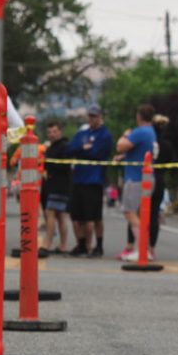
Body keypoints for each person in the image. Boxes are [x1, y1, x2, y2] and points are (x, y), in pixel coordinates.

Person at [68, 105, 114, 257]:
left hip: (94, 180)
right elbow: (70, 149)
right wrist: (83, 148)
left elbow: (97, 152)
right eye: (90, 116)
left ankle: (98, 245)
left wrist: (83, 150)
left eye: (95, 116)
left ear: (100, 117)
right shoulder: (82, 133)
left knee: (93, 217)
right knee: (77, 216)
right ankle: (81, 245)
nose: (92, 119)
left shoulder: (105, 135)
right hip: (79, 179)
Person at [114, 104, 157, 261]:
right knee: (140, 214)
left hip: (136, 178)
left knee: (129, 212)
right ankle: (145, 248)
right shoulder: (151, 132)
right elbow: (140, 152)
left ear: (139, 116)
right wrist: (124, 157)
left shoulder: (140, 132)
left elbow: (120, 146)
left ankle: (142, 248)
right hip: (146, 177)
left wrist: (125, 135)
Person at [42, 121, 73, 254]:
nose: (52, 134)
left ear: (60, 132)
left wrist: (51, 167)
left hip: (61, 185)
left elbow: (65, 165)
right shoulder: (50, 148)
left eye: (54, 131)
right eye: (49, 132)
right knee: (60, 216)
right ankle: (63, 245)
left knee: (50, 212)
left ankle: (47, 243)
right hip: (52, 185)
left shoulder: (64, 146)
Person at [148, 114, 173, 253]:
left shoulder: (148, 142)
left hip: (146, 179)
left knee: (141, 213)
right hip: (160, 179)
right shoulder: (167, 145)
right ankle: (151, 248)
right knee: (154, 214)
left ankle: (139, 245)